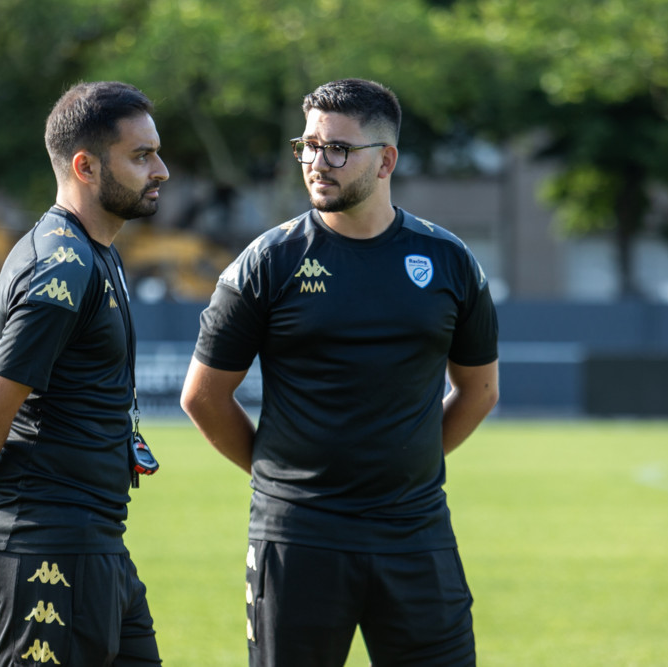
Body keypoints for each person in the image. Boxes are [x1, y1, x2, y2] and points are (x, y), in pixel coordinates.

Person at [180, 78, 499, 667]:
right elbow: (203, 397)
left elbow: (478, 389)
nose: (315, 162)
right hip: (298, 538)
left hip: (416, 533)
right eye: (306, 145)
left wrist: (413, 463)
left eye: (337, 149)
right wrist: (283, 478)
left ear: (386, 161)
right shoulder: (266, 262)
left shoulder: (450, 260)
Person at [0, 80, 169, 667]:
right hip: (48, 540)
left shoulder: (94, 251)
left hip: (94, 539)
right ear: (85, 165)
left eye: (155, 151)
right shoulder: (63, 266)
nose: (162, 169)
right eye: (141, 156)